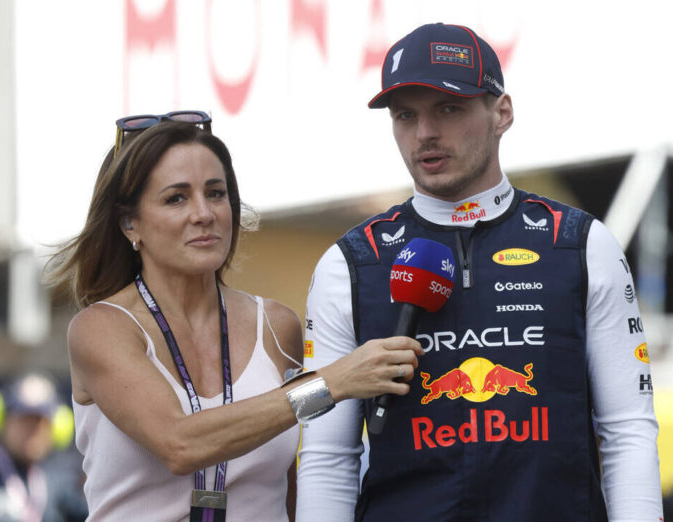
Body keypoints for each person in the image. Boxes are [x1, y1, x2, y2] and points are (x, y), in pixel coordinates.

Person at [296, 23, 663, 521]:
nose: (425, 133)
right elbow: (328, 457)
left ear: (502, 113)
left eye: (449, 108)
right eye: (406, 115)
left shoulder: (580, 243)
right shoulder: (350, 263)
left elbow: (628, 429)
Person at [45, 113, 422, 522]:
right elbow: (180, 444)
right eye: (176, 198)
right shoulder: (102, 328)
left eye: (216, 193)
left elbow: (289, 481)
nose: (203, 213)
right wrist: (330, 383)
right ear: (129, 223)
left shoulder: (276, 325)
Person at [0, 371, 86, 522]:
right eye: (24, 419)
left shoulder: (59, 483)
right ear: (3, 421)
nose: (32, 431)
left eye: (40, 422)